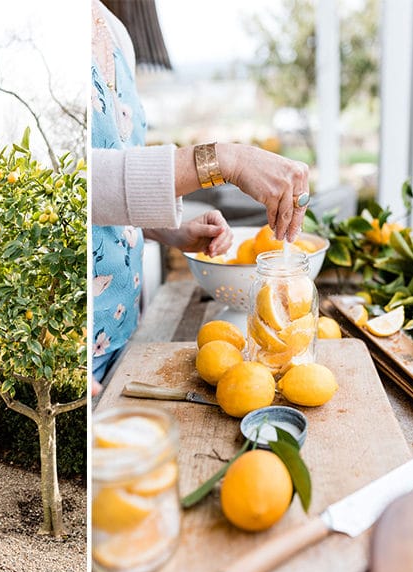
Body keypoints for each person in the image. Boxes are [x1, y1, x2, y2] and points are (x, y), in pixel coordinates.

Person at [91, 0, 310, 386]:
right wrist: (226, 159)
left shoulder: (116, 33)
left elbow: (114, 177)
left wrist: (168, 229)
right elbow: (78, 179)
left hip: (125, 336)